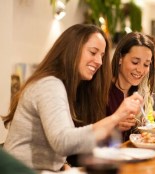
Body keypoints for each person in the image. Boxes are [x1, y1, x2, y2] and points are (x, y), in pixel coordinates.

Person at [2, 24, 142, 172]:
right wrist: (116, 118)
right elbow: (63, 142)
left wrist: (63, 166)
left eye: (101, 56)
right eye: (93, 52)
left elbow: (56, 147)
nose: (100, 62)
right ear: (72, 49)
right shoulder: (49, 85)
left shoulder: (65, 86)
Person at [108, 32, 155, 141]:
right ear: (120, 58)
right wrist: (113, 126)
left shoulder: (139, 92)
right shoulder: (103, 90)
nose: (140, 70)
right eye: (135, 62)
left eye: (146, 64)